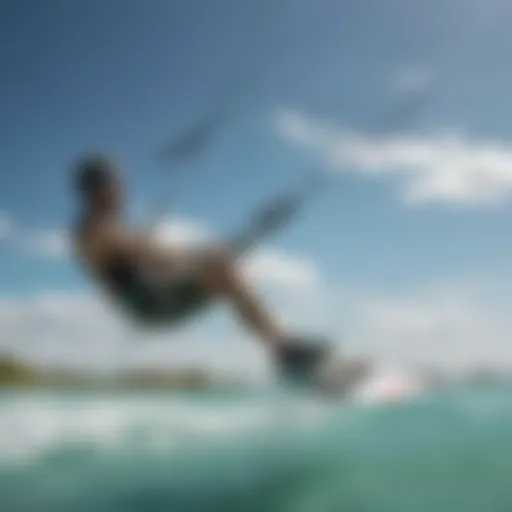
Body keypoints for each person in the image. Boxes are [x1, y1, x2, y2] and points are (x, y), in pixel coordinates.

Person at [71, 154, 330, 382]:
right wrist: (204, 254)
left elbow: (148, 262)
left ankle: (285, 352)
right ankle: (286, 354)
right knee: (222, 270)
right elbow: (160, 256)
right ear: (97, 190)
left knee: (223, 272)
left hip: (154, 297)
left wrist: (200, 256)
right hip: (150, 305)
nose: (120, 190)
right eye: (114, 184)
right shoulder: (93, 232)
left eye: (119, 183)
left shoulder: (110, 230)